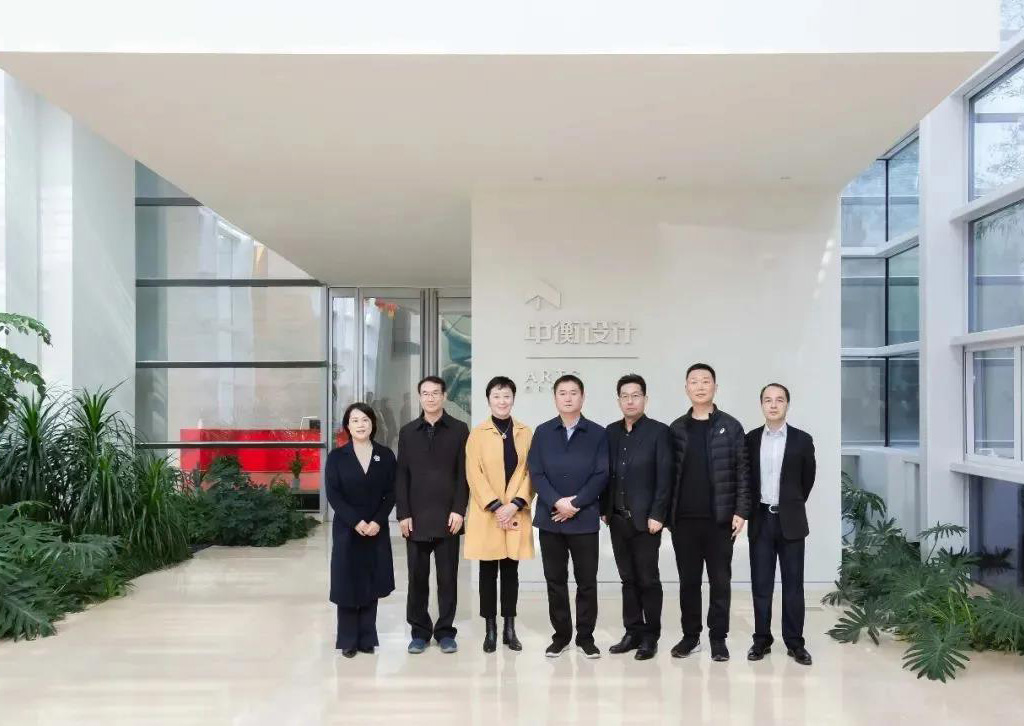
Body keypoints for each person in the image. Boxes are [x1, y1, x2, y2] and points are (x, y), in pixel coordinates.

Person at [668, 363, 751, 662]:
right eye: (694, 381)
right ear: (686, 388)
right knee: (688, 582)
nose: (700, 386)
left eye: (706, 381)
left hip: (720, 521)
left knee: (720, 582)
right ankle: (691, 637)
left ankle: (718, 638)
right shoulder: (676, 429)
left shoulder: (731, 426)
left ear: (715, 387)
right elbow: (667, 475)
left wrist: (741, 510)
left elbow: (743, 471)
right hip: (684, 521)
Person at [527, 374, 609, 659]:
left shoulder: (598, 433)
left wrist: (575, 504)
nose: (568, 397)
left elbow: (601, 474)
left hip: (584, 519)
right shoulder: (543, 432)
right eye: (562, 393)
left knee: (587, 581)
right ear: (555, 398)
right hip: (551, 519)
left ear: (582, 397)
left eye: (574, 392)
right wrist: (557, 502)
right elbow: (536, 472)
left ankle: (586, 637)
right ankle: (561, 636)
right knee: (555, 580)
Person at [395, 376, 470, 655]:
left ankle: (446, 632)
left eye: (435, 393)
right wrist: (403, 513)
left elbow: (464, 474)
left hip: (449, 517)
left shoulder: (459, 429)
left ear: (444, 396)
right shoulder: (407, 432)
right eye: (425, 393)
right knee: (417, 579)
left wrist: (459, 510)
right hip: (415, 518)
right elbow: (401, 475)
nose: (430, 398)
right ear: (419, 397)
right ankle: (419, 632)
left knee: (448, 579)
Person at [601, 374, 673, 660]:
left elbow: (665, 477)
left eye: (636, 395)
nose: (630, 401)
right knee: (627, 579)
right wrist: (605, 509)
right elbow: (605, 473)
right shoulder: (610, 432)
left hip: (646, 522)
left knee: (648, 579)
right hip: (617, 519)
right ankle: (632, 632)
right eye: (625, 396)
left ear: (645, 399)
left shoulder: (659, 432)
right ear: (618, 400)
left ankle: (650, 636)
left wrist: (658, 514)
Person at [746, 383, 816, 666]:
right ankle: (761, 640)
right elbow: (746, 480)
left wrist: (791, 503)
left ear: (787, 404)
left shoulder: (802, 440)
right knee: (761, 585)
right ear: (761, 405)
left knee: (793, 585)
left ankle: (795, 643)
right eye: (768, 400)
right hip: (761, 519)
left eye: (779, 400)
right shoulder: (750, 439)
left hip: (791, 521)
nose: (773, 405)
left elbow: (807, 480)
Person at [464, 376, 534, 653]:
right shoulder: (477, 434)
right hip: (488, 515)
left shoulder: (525, 432)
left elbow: (531, 472)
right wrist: (496, 506)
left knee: (510, 572)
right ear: (488, 400)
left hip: (515, 511)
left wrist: (514, 504)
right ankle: (490, 629)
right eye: (496, 396)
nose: (502, 401)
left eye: (506, 396)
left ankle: (509, 628)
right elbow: (474, 473)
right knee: (487, 573)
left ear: (513, 399)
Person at [325, 402, 396, 658]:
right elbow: (334, 494)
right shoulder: (337, 457)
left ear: (372, 424)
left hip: (376, 528)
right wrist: (356, 522)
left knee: (371, 580)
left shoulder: (385, 455)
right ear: (347, 426)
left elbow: (392, 492)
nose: (360, 425)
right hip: (347, 529)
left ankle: (367, 637)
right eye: (355, 420)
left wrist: (377, 520)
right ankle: (347, 639)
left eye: (365, 420)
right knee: (347, 581)